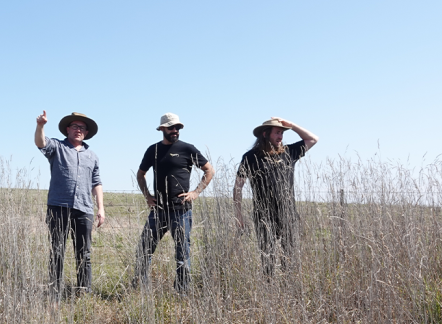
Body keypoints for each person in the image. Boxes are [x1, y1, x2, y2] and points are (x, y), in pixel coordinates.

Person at [134, 113, 215, 293]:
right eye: (171, 128)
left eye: (177, 128)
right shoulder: (153, 150)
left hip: (181, 210)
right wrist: (147, 196)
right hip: (158, 209)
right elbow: (140, 174)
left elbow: (209, 170)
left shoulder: (187, 149)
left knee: (182, 251)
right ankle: (140, 288)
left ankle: (182, 290)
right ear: (162, 129)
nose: (175, 131)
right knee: (144, 247)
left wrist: (196, 192)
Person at [233, 117, 318, 276]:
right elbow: (238, 187)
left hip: (288, 214)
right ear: (265, 134)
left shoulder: (289, 152)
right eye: (277, 133)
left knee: (290, 258)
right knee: (267, 259)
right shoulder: (250, 157)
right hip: (264, 216)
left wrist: (292, 126)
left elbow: (313, 139)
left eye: (282, 133)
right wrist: (239, 216)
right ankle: (269, 290)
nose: (281, 136)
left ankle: (289, 289)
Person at [34, 110, 105, 298]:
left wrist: (101, 208)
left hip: (84, 209)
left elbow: (96, 182)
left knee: (84, 254)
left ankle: (83, 293)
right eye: (75, 126)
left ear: (87, 133)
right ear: (67, 129)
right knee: (57, 251)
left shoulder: (92, 156)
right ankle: (55, 291)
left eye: (82, 128)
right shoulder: (57, 147)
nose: (78, 130)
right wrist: (40, 125)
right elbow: (41, 143)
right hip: (58, 207)